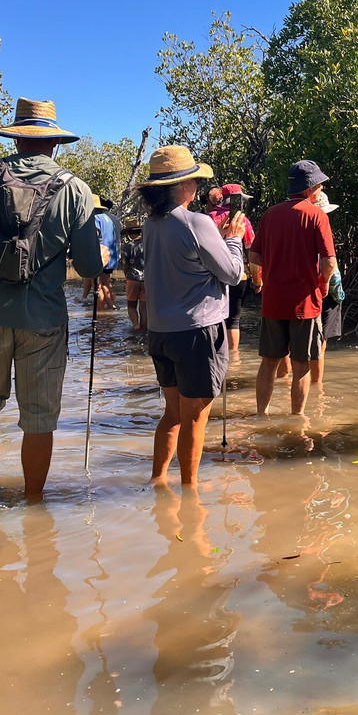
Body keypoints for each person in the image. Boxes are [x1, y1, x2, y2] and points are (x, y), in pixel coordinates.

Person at [0, 97, 103, 500]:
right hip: (44, 319)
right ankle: (34, 503)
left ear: (15, 138)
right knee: (39, 416)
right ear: (55, 143)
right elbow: (87, 268)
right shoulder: (76, 189)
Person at [138, 145, 246, 486]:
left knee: (172, 414)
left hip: (161, 331)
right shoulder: (196, 222)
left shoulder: (151, 223)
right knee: (195, 418)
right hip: (197, 332)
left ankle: (158, 480)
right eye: (194, 180)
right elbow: (231, 273)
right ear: (180, 186)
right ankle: (190, 493)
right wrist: (234, 239)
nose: (197, 187)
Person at [249, 160, 337, 416]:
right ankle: (296, 419)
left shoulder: (270, 214)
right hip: (305, 303)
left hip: (273, 301)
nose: (320, 190)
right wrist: (322, 285)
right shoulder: (317, 215)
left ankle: (261, 415)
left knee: (269, 363)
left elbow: (254, 258)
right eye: (319, 186)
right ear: (312, 188)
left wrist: (260, 281)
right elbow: (329, 262)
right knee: (301, 365)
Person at [206, 183, 256, 353]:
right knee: (234, 319)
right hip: (239, 275)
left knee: (214, 317)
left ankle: (216, 353)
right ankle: (234, 359)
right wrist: (258, 279)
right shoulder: (243, 220)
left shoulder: (208, 217)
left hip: (213, 274)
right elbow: (252, 251)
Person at [311, 191, 346, 384]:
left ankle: (286, 381)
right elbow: (330, 266)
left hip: (303, 292)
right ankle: (317, 390)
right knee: (320, 345)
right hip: (326, 293)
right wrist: (336, 292)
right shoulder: (323, 230)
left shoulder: (299, 229)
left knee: (293, 345)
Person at [119, 216, 146, 331]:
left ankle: (136, 325)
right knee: (144, 308)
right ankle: (144, 329)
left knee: (131, 305)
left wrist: (126, 277)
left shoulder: (127, 246)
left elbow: (125, 265)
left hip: (132, 278)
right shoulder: (147, 244)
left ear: (129, 233)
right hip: (146, 279)